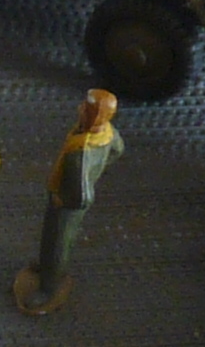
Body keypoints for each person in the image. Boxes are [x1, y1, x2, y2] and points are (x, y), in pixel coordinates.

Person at [14, 89, 124, 315]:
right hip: (62, 196)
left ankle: (48, 287)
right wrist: (97, 171)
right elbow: (118, 150)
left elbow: (83, 196)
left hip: (66, 204)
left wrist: (64, 199)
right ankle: (46, 267)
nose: (80, 109)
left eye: (86, 108)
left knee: (57, 243)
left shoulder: (82, 151)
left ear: (94, 116)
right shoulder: (107, 133)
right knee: (50, 237)